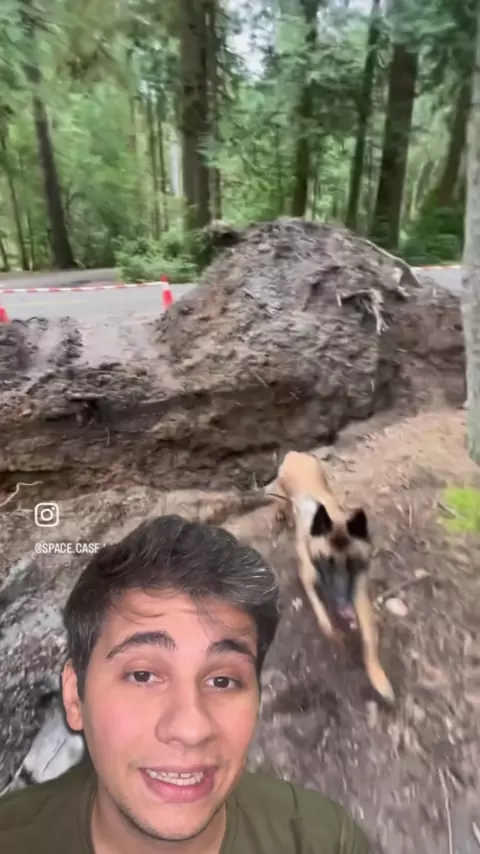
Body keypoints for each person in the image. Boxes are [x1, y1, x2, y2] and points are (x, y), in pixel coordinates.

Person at [0, 514, 372, 853]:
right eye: (143, 676)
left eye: (223, 680)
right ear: (74, 697)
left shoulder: (322, 842)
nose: (192, 729)